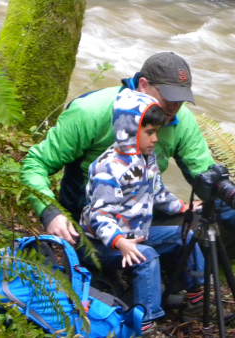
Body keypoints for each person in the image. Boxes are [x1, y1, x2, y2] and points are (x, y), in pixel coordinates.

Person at [20, 51, 235, 261]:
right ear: (143, 85)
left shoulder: (181, 122)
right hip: (91, 220)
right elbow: (35, 164)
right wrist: (50, 213)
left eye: (181, 99)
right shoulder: (90, 112)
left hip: (141, 215)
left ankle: (174, 280)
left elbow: (206, 177)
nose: (174, 107)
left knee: (234, 231)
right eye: (168, 98)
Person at [81, 88, 209, 334]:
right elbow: (99, 216)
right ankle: (145, 323)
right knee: (146, 255)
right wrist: (120, 242)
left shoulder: (145, 159)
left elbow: (157, 192)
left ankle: (195, 298)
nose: (155, 139)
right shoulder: (108, 168)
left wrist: (182, 207)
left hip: (135, 235)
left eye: (157, 132)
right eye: (149, 132)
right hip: (102, 245)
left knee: (186, 236)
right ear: (129, 131)